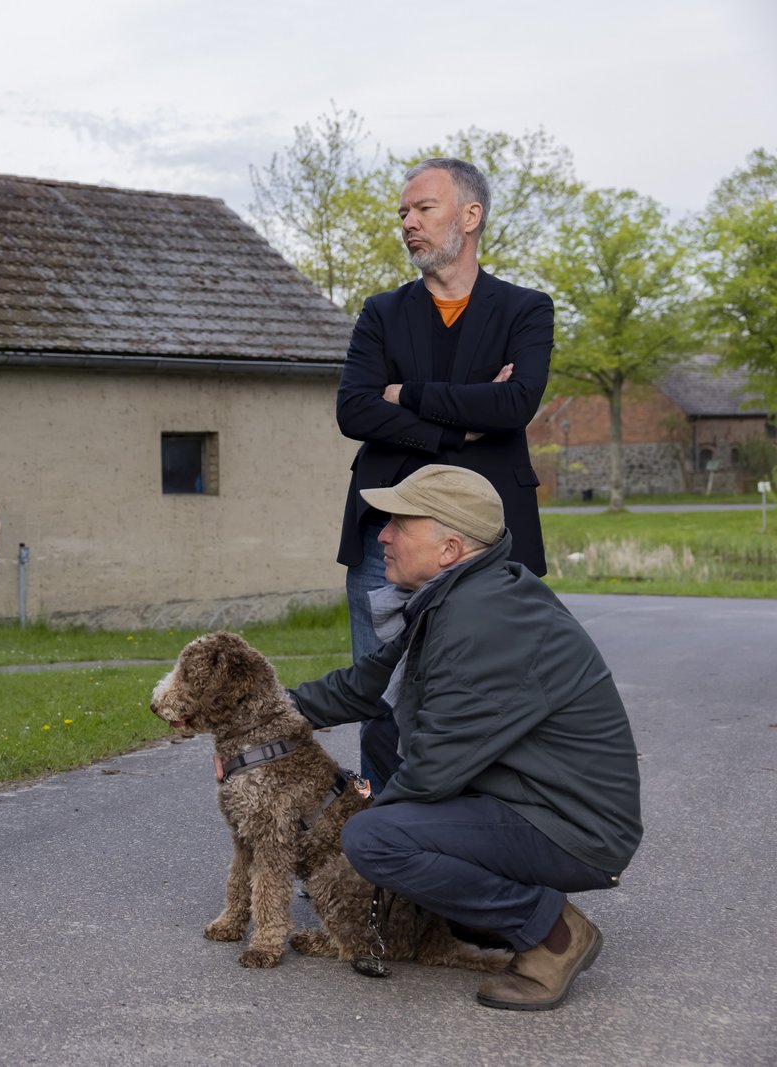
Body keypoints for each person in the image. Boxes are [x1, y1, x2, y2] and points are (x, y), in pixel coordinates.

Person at [288, 464, 642, 1011]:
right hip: (532, 799)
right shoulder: (456, 599)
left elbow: (434, 769)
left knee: (374, 841)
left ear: (450, 548)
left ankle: (552, 934)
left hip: (574, 827)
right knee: (386, 755)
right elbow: (364, 687)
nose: (381, 534)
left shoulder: (483, 620)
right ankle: (489, 913)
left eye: (400, 525)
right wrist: (259, 716)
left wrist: (359, 829)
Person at [336, 157, 554, 789]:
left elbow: (516, 404)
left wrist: (405, 395)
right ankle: (383, 845)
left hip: (492, 534)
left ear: (470, 215)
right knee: (382, 689)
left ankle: (485, 832)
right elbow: (354, 408)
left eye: (422, 209)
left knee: (496, 687)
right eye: (403, 212)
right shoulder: (380, 313)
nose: (408, 223)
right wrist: (461, 424)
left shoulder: (525, 310)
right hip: (389, 533)